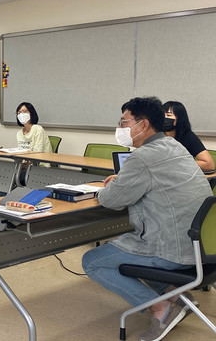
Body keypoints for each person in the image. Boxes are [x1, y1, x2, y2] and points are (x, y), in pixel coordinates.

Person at [82, 97, 212, 341]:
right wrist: (122, 182)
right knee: (129, 244)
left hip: (172, 250)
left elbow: (111, 200)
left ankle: (159, 308)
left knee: (93, 261)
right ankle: (175, 295)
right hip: (200, 247)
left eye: (124, 121)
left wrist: (106, 189)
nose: (120, 127)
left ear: (142, 125)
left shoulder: (142, 157)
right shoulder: (176, 147)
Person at [162, 100, 214, 172]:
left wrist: (177, 164)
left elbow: (208, 164)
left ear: (179, 119)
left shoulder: (188, 137)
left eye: (169, 115)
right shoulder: (156, 135)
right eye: (162, 115)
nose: (164, 118)